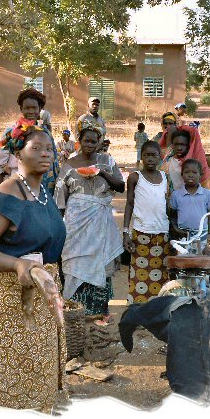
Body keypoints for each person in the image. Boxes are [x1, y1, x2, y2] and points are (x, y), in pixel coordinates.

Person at [0, 120, 67, 411]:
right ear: (18, 153)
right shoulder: (6, 195)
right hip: (10, 297)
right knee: (16, 370)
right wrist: (17, 264)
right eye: (36, 148)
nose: (46, 153)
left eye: (49, 148)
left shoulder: (44, 193)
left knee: (40, 368)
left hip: (40, 294)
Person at [54, 121, 124, 326]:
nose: (90, 145)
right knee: (76, 260)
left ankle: (100, 310)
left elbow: (120, 186)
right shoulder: (68, 166)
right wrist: (60, 227)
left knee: (100, 262)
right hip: (77, 222)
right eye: (86, 140)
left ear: (100, 142)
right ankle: (76, 311)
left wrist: (101, 172)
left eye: (94, 141)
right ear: (79, 141)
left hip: (101, 221)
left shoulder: (108, 161)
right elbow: (60, 199)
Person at [123, 140, 170, 304]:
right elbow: (129, 204)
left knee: (161, 273)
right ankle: (138, 310)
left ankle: (158, 309)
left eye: (154, 155)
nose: (150, 159)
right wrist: (125, 233)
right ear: (141, 157)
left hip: (162, 233)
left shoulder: (166, 178)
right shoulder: (135, 177)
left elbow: (168, 205)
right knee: (140, 273)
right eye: (146, 155)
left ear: (160, 157)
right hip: (141, 233)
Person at [0, 88, 59, 194]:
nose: (31, 112)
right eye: (27, 108)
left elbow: (54, 161)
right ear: (21, 109)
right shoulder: (12, 132)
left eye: (34, 108)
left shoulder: (45, 132)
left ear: (40, 109)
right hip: (19, 189)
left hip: (46, 190)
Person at [169, 158, 210, 251]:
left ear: (200, 175)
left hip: (202, 235)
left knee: (200, 259)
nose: (190, 175)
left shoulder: (207, 194)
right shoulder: (176, 195)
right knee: (184, 259)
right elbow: (172, 215)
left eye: (194, 172)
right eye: (187, 172)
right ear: (182, 174)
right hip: (182, 234)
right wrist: (175, 228)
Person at [160, 126, 210, 194]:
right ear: (172, 145)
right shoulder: (168, 160)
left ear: (189, 145)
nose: (179, 148)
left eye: (183, 145)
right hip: (173, 200)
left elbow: (204, 185)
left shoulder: (194, 163)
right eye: (176, 144)